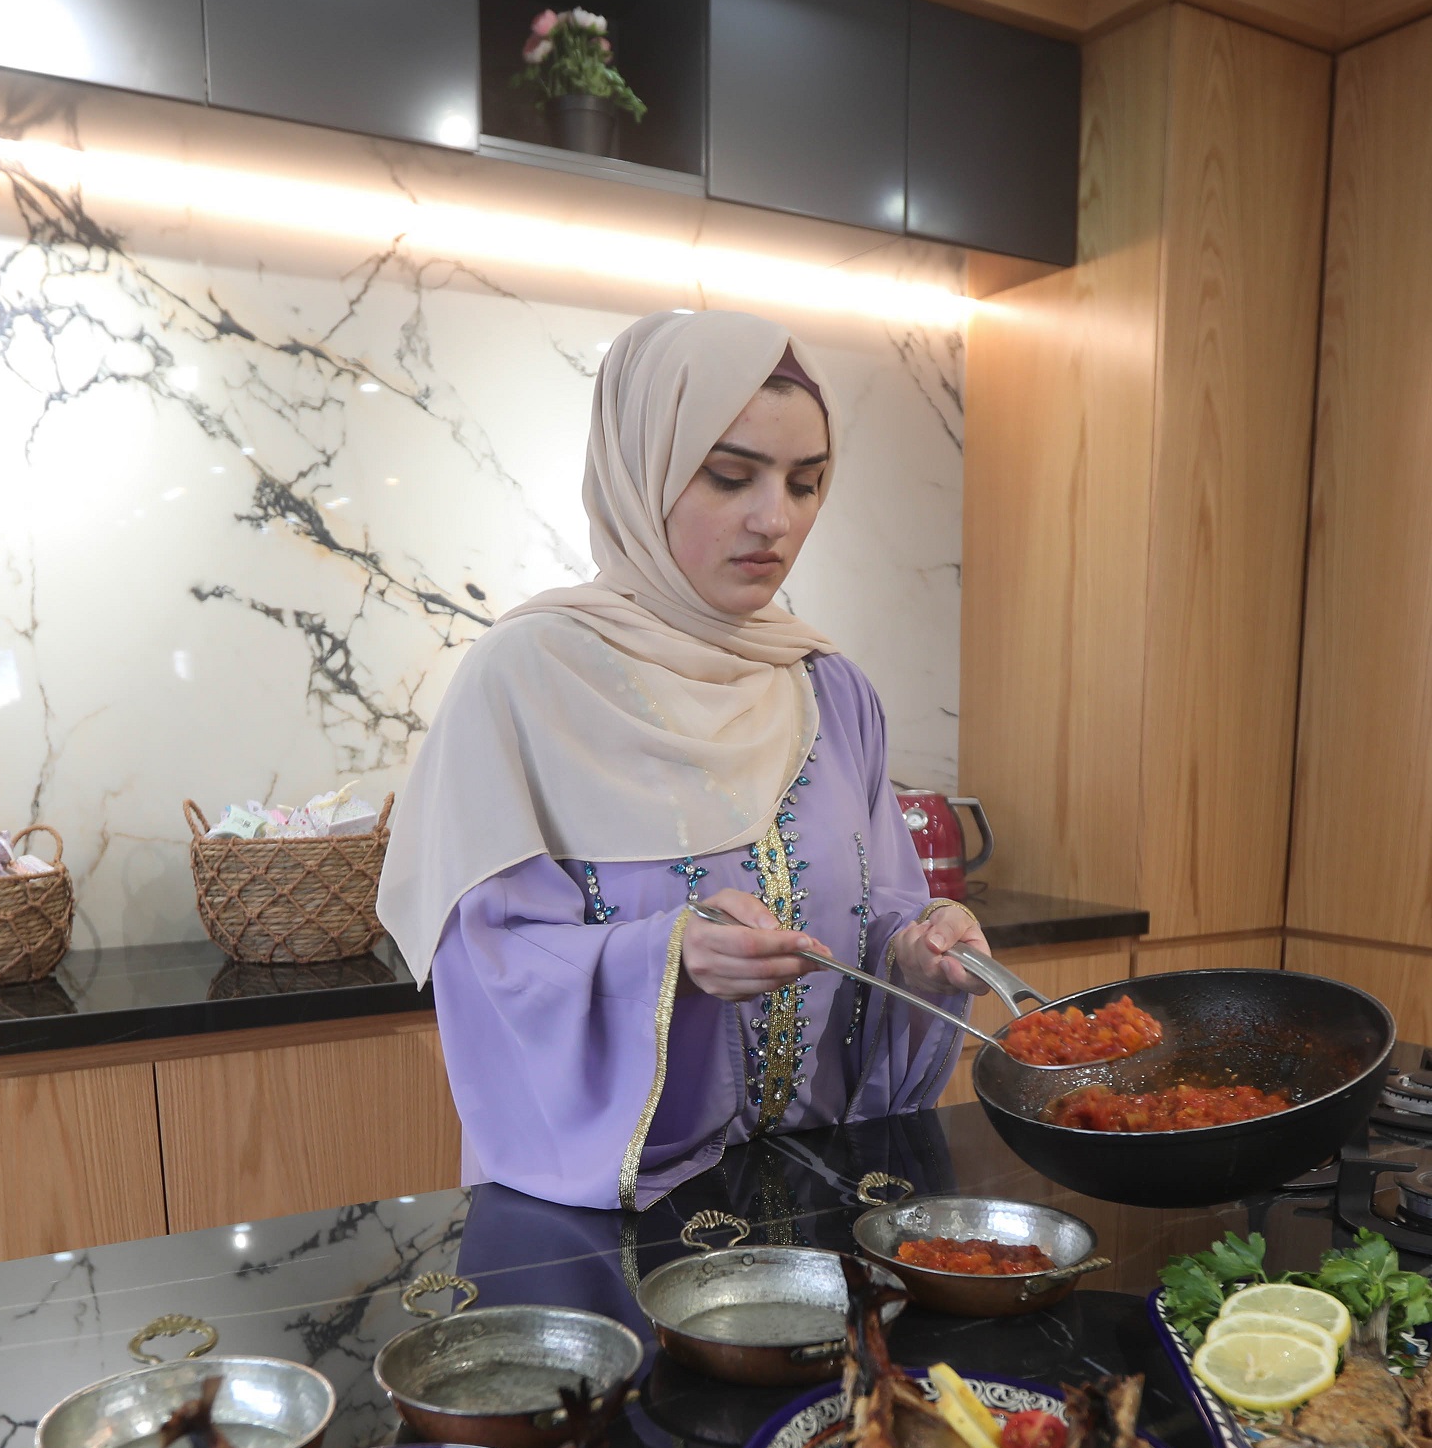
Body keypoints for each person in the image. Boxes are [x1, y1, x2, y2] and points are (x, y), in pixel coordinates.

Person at [376, 309, 991, 1211]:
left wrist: (920, 947)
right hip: (613, 1207)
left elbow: (879, 905)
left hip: (813, 1200)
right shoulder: (528, 679)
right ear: (642, 469)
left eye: (806, 482)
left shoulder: (827, 687)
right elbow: (492, 965)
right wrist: (667, 959)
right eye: (730, 475)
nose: (774, 519)